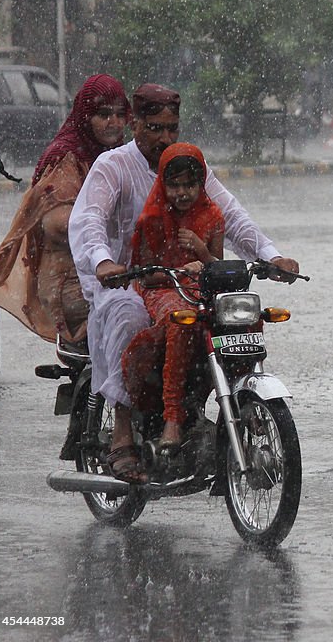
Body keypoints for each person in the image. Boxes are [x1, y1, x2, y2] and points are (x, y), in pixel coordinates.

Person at [69, 83, 300, 483]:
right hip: (126, 282)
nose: (166, 138)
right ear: (134, 124)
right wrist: (104, 262)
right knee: (127, 316)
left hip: (184, 282)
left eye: (172, 128)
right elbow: (88, 223)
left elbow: (232, 215)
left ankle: (207, 411)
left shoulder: (185, 165)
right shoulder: (112, 167)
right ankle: (122, 433)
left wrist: (271, 255)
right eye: (155, 128)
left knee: (230, 318)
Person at [0, 74, 130, 344]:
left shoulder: (117, 153)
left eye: (120, 114)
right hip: (70, 279)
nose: (114, 123)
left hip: (113, 274)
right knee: (128, 318)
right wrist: (114, 226)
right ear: (85, 116)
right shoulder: (68, 156)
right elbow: (58, 223)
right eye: (103, 114)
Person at [127, 143, 224, 450]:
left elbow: (216, 266)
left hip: (198, 288)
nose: (182, 193)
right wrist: (180, 271)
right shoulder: (152, 219)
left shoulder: (213, 215)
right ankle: (172, 418)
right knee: (181, 322)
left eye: (190, 185)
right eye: (175, 185)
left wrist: (201, 250)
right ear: (163, 185)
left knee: (240, 319)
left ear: (201, 183)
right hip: (161, 289)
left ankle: (244, 396)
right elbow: (145, 274)